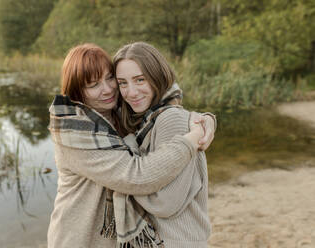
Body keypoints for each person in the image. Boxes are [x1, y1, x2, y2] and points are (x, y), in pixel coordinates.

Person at [47, 43, 216, 248]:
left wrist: (204, 119)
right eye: (93, 85)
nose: (108, 89)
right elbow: (136, 176)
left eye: (110, 78)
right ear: (77, 92)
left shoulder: (119, 115)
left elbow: (165, 106)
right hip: (81, 238)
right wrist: (192, 138)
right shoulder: (76, 133)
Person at [112, 41, 212, 247]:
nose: (131, 92)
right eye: (123, 83)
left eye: (140, 80)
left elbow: (165, 202)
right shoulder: (144, 119)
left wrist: (118, 180)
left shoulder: (170, 119)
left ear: (157, 77)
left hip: (178, 240)